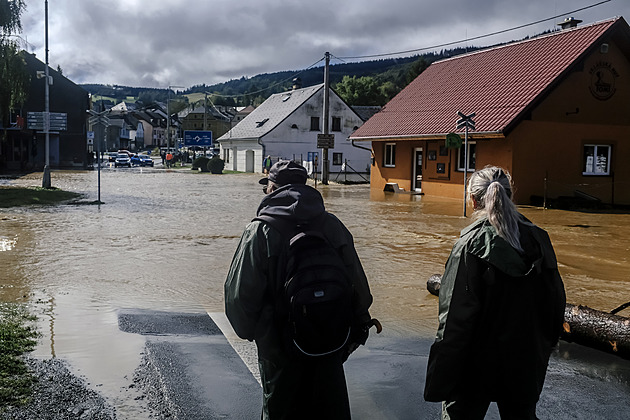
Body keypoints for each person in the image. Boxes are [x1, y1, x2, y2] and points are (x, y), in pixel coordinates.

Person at [224, 160, 374, 420]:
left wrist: (253, 332)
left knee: (282, 409)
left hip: (279, 346)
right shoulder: (332, 226)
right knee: (330, 408)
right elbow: (359, 287)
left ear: (272, 188)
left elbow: (239, 298)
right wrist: (355, 327)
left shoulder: (260, 230)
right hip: (330, 338)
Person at [424, 166, 566, 420]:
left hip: (474, 363)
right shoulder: (538, 239)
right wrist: (546, 345)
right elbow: (555, 298)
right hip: (525, 358)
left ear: (472, 200)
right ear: (510, 197)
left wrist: (441, 371)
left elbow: (455, 317)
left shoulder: (468, 246)